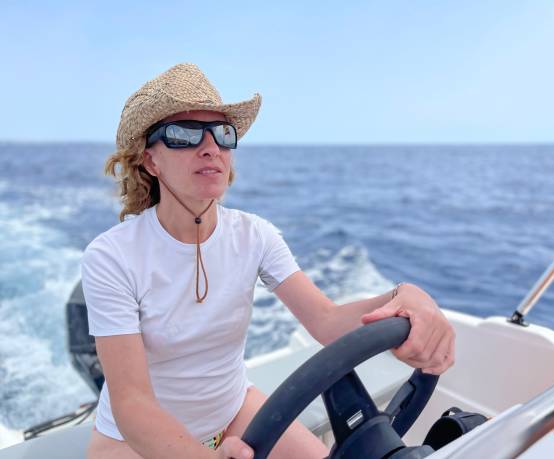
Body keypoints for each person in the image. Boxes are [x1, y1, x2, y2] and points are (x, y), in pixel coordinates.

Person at [82, 63, 456, 459]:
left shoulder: (254, 234)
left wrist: (406, 295)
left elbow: (327, 322)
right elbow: (133, 403)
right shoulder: (111, 257)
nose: (210, 146)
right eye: (183, 134)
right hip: (134, 442)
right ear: (150, 162)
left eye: (222, 133)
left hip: (233, 411)